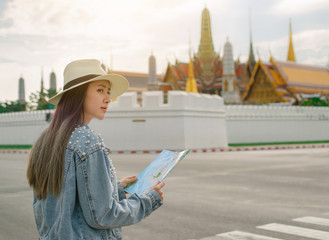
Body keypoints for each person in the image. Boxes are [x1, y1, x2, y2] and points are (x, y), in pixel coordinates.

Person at [26, 59, 165, 240]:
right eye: (100, 90)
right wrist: (149, 200)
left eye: (108, 92)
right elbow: (104, 215)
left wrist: (116, 190)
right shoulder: (87, 141)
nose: (108, 98)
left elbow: (65, 200)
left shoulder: (45, 140)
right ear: (79, 94)